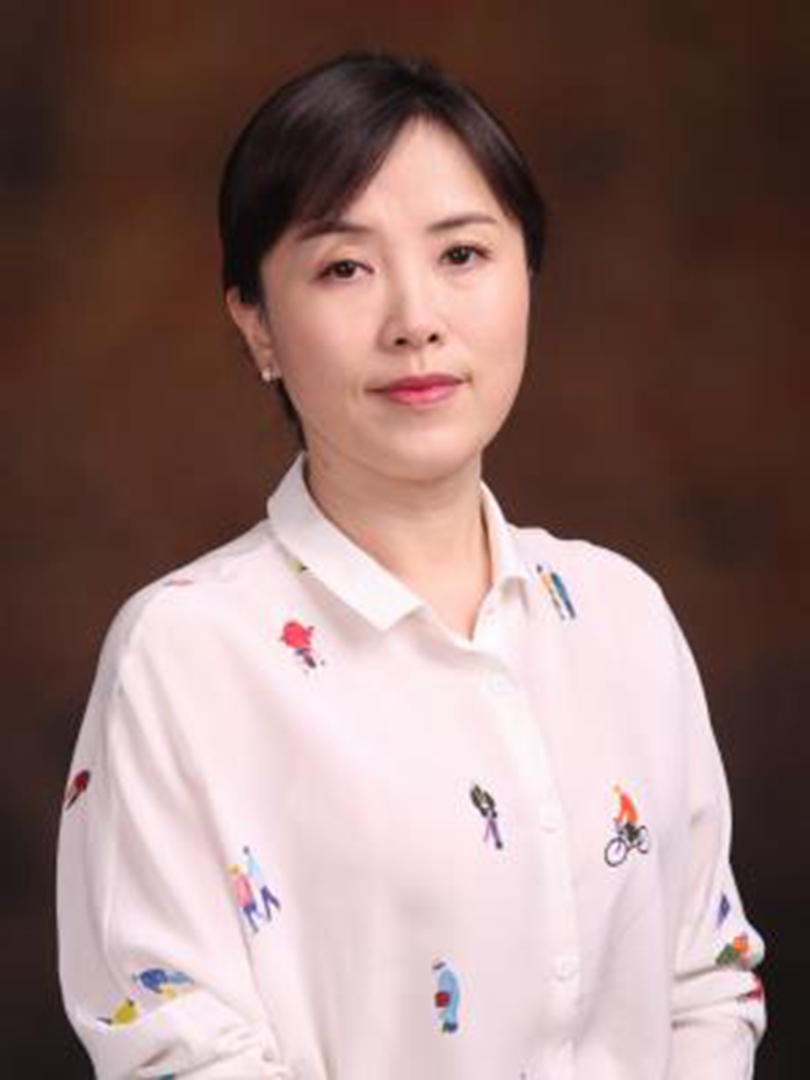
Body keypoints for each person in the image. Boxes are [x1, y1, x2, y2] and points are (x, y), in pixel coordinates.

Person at [56, 49, 766, 1079]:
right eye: (345, 268)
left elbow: (705, 979)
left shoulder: (623, 615)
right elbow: (178, 1051)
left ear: (528, 276)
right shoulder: (184, 655)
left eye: (462, 254)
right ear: (256, 321)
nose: (416, 321)